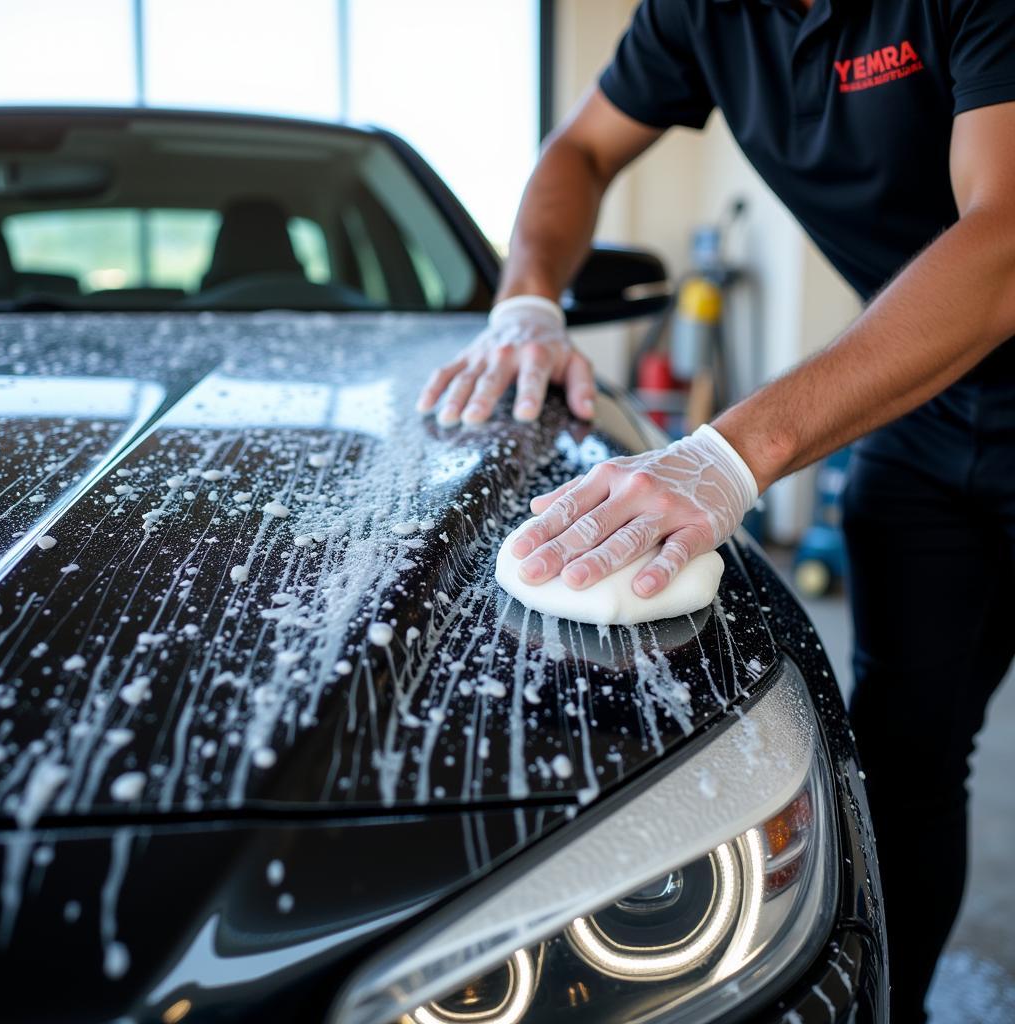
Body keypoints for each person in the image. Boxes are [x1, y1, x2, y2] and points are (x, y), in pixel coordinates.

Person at [417, 1, 1015, 1019]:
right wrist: (526, 297)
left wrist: (732, 453)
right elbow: (580, 150)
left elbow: (1001, 241)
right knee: (909, 757)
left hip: (972, 331)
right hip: (927, 424)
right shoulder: (698, 14)